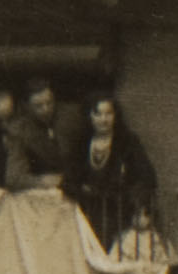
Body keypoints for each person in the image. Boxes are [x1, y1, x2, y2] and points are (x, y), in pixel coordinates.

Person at [63, 93, 158, 251]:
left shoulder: (127, 141)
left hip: (119, 212)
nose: (104, 119)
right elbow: (70, 178)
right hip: (88, 212)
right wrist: (82, 190)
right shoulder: (81, 143)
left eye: (108, 113)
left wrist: (140, 205)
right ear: (89, 116)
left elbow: (146, 176)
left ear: (115, 116)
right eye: (98, 114)